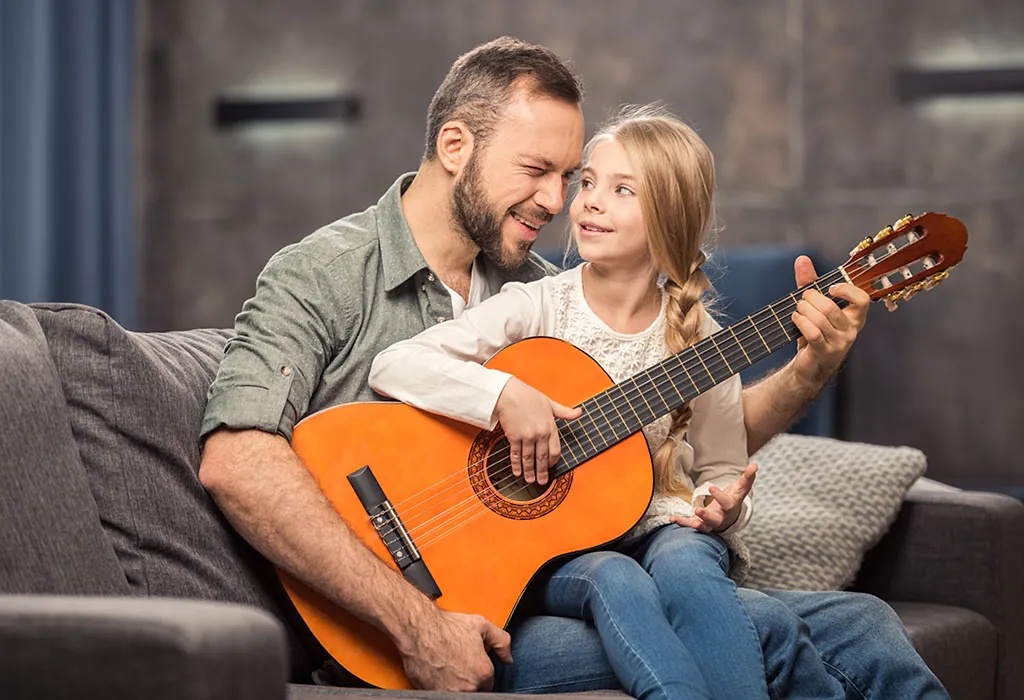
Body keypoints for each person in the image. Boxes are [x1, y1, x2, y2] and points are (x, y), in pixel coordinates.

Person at [198, 36, 949, 698]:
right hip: (400, 614)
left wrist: (808, 370)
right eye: (540, 171)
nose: (560, 201)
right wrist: (418, 624)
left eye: (572, 175)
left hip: (553, 578)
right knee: (768, 635)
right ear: (455, 147)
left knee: (863, 625)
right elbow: (237, 462)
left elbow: (678, 431)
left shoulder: (546, 288)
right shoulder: (324, 274)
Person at [369, 104, 768, 700]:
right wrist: (504, 394)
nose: (588, 201)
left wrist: (721, 508)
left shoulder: (702, 341)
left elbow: (721, 471)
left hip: (656, 526)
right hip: (555, 546)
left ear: (670, 217)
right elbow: (395, 364)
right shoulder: (538, 306)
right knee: (617, 577)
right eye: (588, 183)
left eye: (622, 189)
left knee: (689, 561)